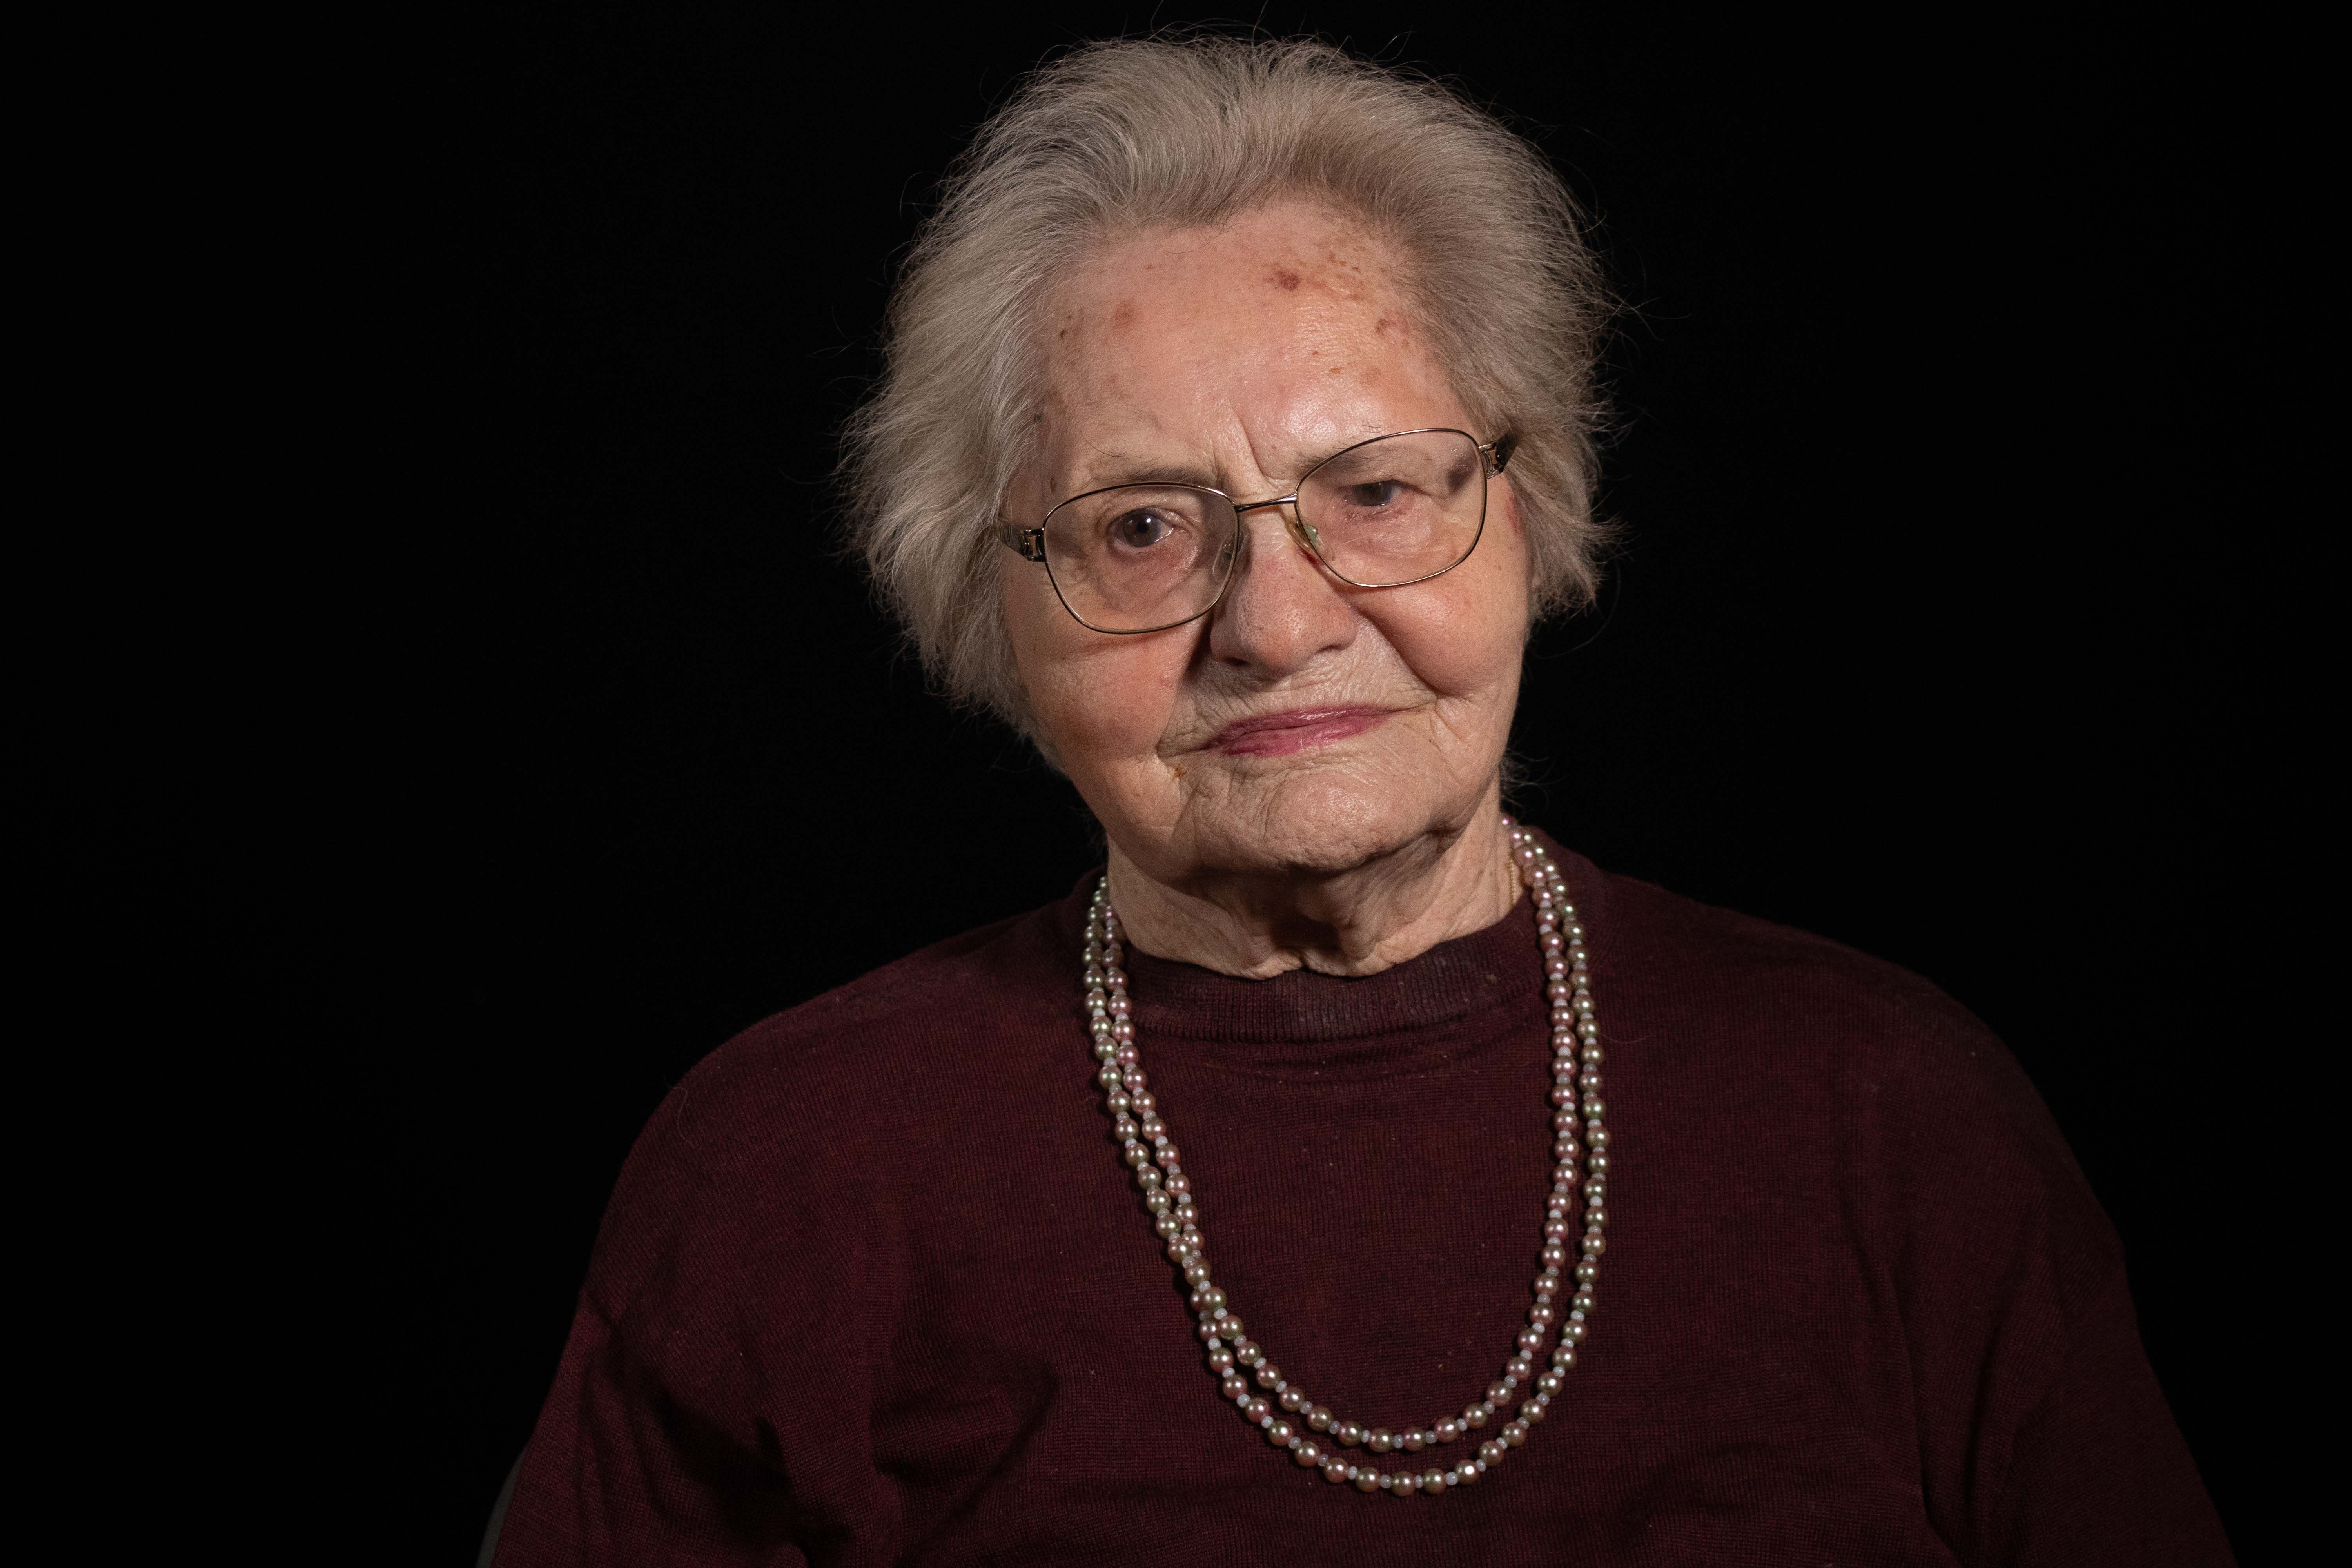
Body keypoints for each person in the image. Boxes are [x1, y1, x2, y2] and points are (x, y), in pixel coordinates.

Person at [488, 36, 2230, 1566]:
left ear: (1529, 512)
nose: (1279, 623)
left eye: (1377, 492)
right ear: (988, 600)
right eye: (1142, 527)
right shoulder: (791, 1172)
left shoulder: (1894, 1117)